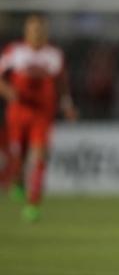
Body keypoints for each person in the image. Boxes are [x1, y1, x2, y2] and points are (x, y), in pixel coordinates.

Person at [0, 14, 78, 222]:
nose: (37, 33)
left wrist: (67, 105)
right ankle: (17, 180)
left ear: (45, 33)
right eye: (33, 29)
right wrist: (8, 91)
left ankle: (33, 204)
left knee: (40, 156)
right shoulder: (14, 52)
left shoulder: (54, 55)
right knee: (18, 157)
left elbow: (62, 84)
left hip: (42, 114)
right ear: (26, 32)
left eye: (40, 29)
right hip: (18, 112)